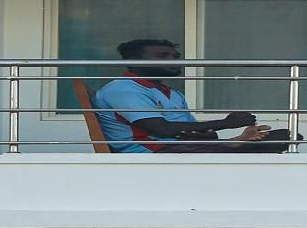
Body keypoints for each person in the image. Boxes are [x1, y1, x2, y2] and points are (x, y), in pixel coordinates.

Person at [92, 39, 294, 154]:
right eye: (162, 56)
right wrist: (225, 123)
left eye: (175, 57)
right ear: (134, 61)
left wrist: (213, 133)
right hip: (151, 152)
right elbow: (161, 130)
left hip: (182, 147)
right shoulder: (123, 89)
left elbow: (190, 130)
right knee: (260, 152)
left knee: (286, 136)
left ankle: (238, 144)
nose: (174, 61)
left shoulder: (172, 93)